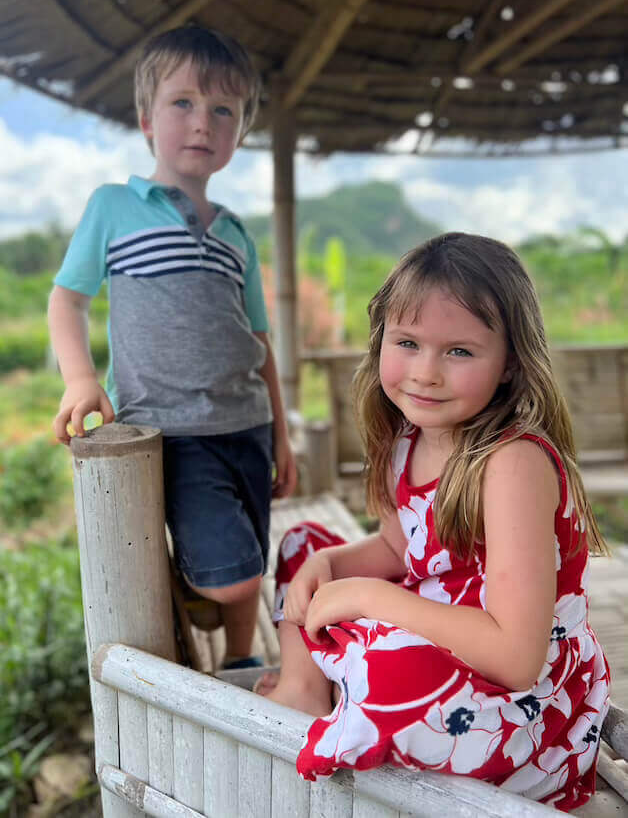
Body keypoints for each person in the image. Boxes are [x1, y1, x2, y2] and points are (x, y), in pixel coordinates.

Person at [260, 232, 610, 811]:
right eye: (408, 342)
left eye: (459, 351)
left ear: (510, 365)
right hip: (433, 622)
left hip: (518, 703)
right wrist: (331, 568)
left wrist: (370, 598)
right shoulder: (411, 435)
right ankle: (304, 686)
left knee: (393, 667)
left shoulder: (512, 462)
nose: (425, 373)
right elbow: (403, 546)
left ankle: (345, 689)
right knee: (304, 548)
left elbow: (517, 659)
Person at [48, 25, 297, 670]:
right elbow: (67, 300)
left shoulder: (236, 233)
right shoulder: (114, 207)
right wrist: (80, 381)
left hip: (249, 424)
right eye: (182, 103)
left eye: (224, 110)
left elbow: (259, 341)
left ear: (239, 133)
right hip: (172, 430)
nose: (202, 122)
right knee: (234, 575)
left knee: (253, 552)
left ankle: (242, 660)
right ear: (146, 120)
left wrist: (284, 435)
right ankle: (199, 579)